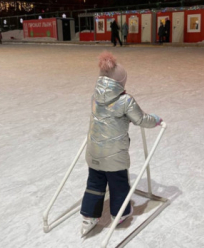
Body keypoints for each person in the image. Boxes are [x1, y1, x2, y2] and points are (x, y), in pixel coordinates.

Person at [80, 51, 163, 236]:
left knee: (94, 183)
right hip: (115, 155)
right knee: (118, 184)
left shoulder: (95, 97)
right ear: (121, 83)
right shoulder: (125, 100)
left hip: (93, 151)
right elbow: (141, 119)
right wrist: (156, 119)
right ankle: (121, 213)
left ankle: (89, 215)